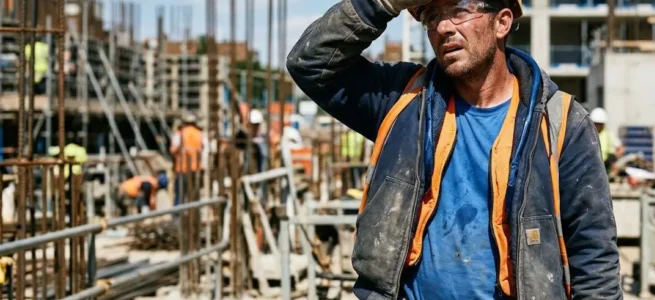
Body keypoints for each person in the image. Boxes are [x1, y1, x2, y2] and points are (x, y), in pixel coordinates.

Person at [287, 0, 621, 298]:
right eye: (432, 16)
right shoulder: (403, 101)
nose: (444, 27)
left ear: (502, 22)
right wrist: (382, 4)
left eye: (459, 11)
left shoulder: (561, 122)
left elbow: (593, 254)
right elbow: (310, 64)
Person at [169, 112, 206, 205]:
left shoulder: (179, 134)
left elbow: (173, 151)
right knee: (194, 196)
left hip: (182, 169)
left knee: (180, 196)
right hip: (196, 169)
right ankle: (193, 215)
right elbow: (204, 150)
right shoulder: (200, 134)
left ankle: (177, 217)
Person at [590, 107, 624, 174]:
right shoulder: (588, 133)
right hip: (591, 166)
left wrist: (613, 157)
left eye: (600, 124)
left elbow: (621, 149)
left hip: (605, 168)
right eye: (596, 123)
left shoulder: (608, 134)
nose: (598, 126)